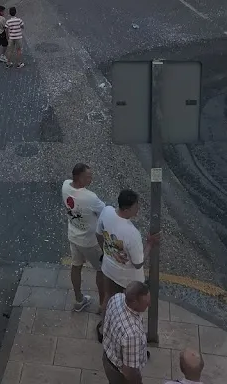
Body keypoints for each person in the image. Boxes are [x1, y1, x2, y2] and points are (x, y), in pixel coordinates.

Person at [62, 163, 106, 313]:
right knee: (101, 270)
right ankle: (102, 305)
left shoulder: (65, 186)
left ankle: (79, 300)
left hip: (73, 236)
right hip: (90, 242)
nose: (91, 179)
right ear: (79, 178)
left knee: (76, 266)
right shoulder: (90, 198)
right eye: (88, 177)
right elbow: (104, 212)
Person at [101, 281, 151, 384]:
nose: (149, 304)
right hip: (120, 375)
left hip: (108, 357)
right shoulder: (132, 335)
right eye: (146, 302)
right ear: (134, 302)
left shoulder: (117, 298)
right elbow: (130, 372)